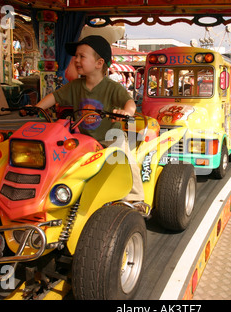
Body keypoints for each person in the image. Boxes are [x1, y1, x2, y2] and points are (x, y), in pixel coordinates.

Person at [35, 35, 147, 211]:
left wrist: (127, 112)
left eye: (82, 56)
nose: (76, 60)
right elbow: (54, 97)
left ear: (99, 63)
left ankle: (136, 198)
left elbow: (129, 102)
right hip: (84, 138)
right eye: (76, 56)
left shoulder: (112, 87)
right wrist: (37, 108)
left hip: (110, 136)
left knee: (124, 158)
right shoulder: (75, 86)